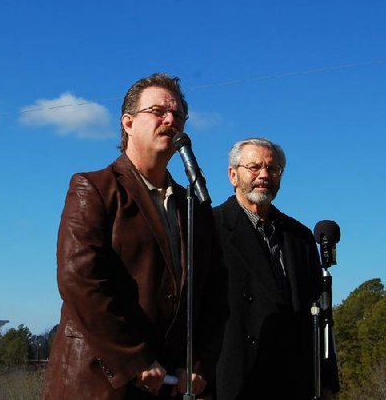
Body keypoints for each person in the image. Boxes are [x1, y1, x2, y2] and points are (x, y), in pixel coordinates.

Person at [42, 73, 228, 399]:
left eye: (179, 115)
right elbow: (80, 280)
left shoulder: (193, 205)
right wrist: (134, 358)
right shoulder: (94, 188)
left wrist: (198, 362)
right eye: (158, 111)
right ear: (127, 123)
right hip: (99, 383)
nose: (170, 120)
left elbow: (214, 294)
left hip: (168, 385)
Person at [212, 138, 339, 399]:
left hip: (294, 381)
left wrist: (327, 381)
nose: (264, 175)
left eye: (273, 168)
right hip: (234, 380)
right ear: (233, 175)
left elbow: (321, 317)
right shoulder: (210, 228)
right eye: (254, 167)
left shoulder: (299, 236)